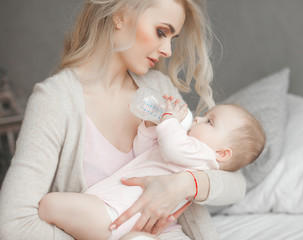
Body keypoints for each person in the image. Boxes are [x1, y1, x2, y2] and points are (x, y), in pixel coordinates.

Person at [0, 0, 247, 239]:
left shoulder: (159, 90)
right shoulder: (55, 101)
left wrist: (183, 184)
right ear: (120, 15)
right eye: (161, 32)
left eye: (172, 39)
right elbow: (13, 223)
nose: (168, 51)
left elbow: (236, 183)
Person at [38, 100, 266, 240]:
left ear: (222, 154)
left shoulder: (202, 156)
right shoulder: (183, 146)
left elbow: (173, 147)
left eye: (209, 122)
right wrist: (149, 127)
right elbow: (143, 150)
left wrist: (168, 119)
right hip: (127, 220)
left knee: (49, 203)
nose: (198, 117)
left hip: (113, 214)